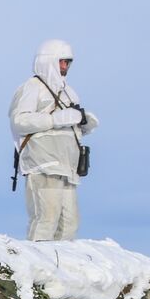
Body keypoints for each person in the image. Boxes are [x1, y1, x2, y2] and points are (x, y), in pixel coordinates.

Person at [9, 38, 99, 241]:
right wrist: (55, 119)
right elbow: (19, 121)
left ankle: (60, 268)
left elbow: (65, 124)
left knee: (69, 222)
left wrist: (83, 123)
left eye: (68, 62)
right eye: (61, 61)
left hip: (67, 166)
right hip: (43, 163)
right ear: (47, 60)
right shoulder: (32, 87)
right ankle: (37, 267)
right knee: (46, 219)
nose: (65, 66)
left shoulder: (69, 92)